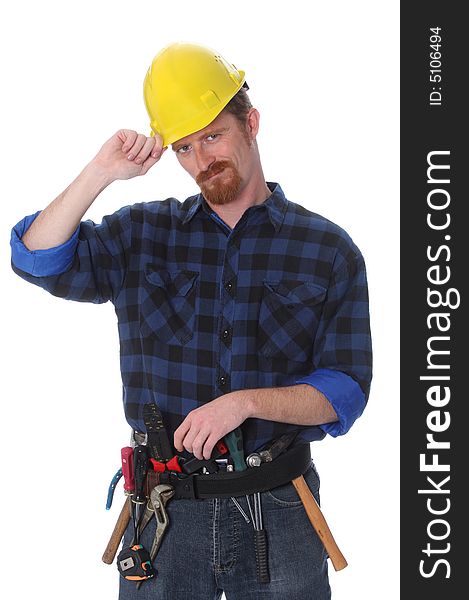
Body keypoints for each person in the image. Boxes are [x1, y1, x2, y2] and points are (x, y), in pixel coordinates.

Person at [10, 42, 372, 599]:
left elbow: (345, 391)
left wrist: (248, 402)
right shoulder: (144, 236)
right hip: (165, 513)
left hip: (279, 506)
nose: (202, 161)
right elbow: (36, 258)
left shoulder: (327, 250)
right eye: (184, 147)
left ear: (251, 123)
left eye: (212, 136)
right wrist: (101, 171)